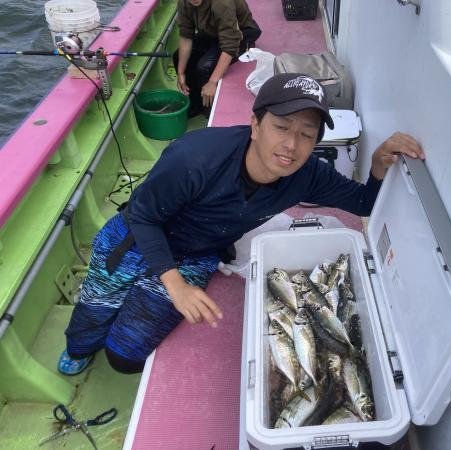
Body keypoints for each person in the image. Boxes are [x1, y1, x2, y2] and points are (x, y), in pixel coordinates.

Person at [57, 73, 424, 375]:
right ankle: (80, 345)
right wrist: (175, 285)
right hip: (135, 238)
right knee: (92, 320)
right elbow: (144, 216)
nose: (291, 144)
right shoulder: (194, 158)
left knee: (124, 358)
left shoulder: (307, 174)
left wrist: (378, 166)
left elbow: (363, 203)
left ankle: (132, 309)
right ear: (255, 125)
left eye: (306, 134)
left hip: (197, 254)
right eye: (281, 126)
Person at [173, 0, 261, 117]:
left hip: (240, 36)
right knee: (177, 57)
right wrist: (181, 72)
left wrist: (212, 82)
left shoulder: (222, 3)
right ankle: (196, 105)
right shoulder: (184, 3)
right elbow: (186, 36)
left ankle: (209, 113)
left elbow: (230, 45)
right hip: (212, 33)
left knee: (204, 67)